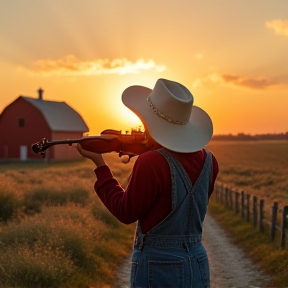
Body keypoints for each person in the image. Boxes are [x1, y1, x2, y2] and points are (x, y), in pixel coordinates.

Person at [77, 78, 218, 288]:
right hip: (197, 261)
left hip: (159, 265)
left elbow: (125, 212)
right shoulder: (209, 160)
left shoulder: (151, 161)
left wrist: (100, 165)